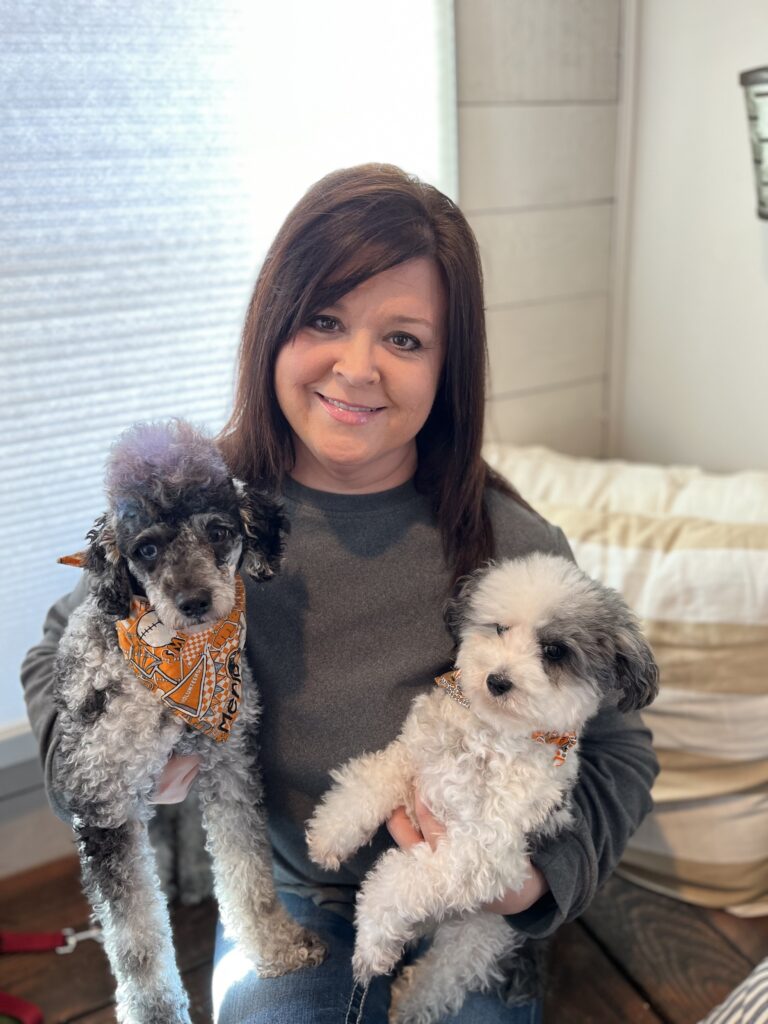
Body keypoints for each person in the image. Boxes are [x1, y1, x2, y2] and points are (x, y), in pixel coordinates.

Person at [22, 164, 659, 1023]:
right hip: (286, 895)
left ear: (449, 365)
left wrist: (536, 881)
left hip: (469, 904)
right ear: (274, 326)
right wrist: (91, 766)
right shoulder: (202, 509)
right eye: (325, 319)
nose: (356, 368)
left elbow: (620, 748)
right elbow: (58, 643)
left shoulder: (513, 545)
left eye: (404, 339)